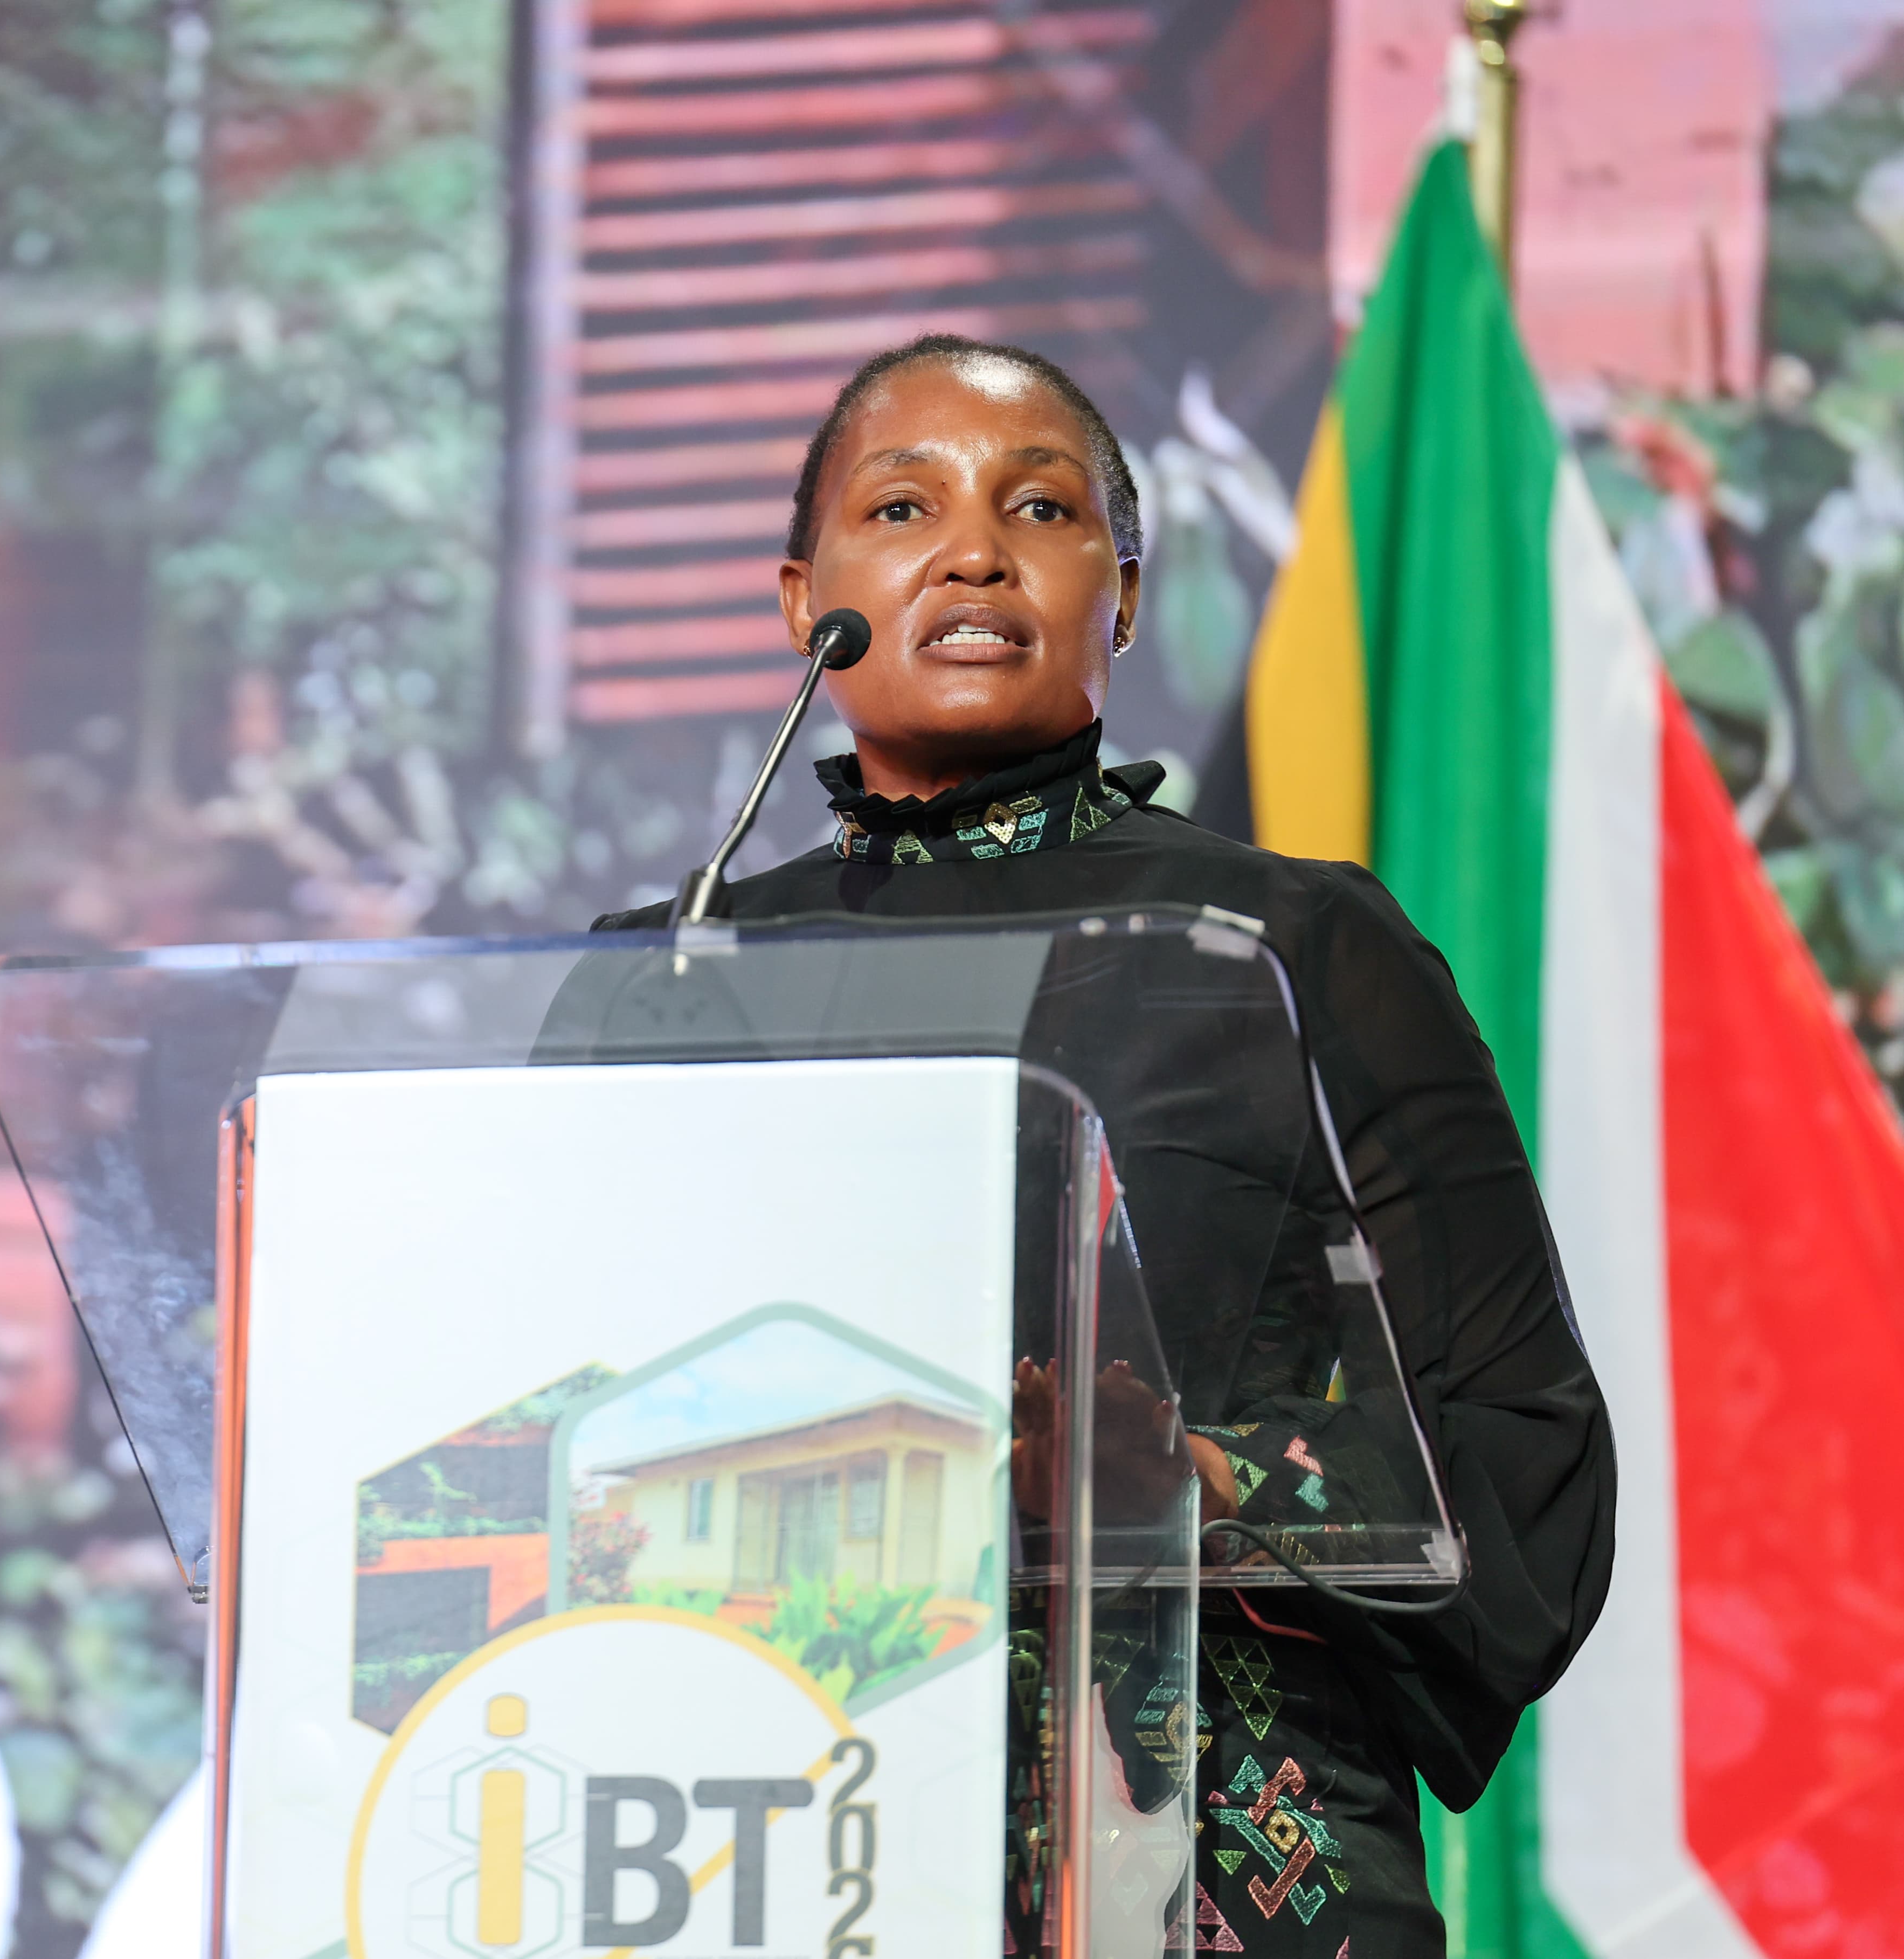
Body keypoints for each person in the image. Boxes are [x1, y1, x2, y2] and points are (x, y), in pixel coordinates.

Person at [593, 333, 1615, 1956]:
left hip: (1212, 1866)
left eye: (1042, 508)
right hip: (756, 1843)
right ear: (804, 601)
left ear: (1123, 598)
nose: (973, 553)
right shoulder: (667, 980)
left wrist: (1192, 1480)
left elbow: (1519, 1449)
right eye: (902, 507)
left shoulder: (1298, 947)